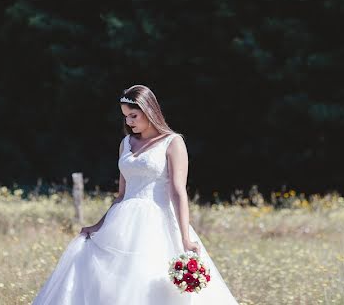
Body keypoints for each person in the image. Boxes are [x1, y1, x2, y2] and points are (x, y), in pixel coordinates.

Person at [31, 84, 239, 304]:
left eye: (133, 115)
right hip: (122, 222)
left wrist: (185, 238)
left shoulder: (173, 142)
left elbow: (178, 191)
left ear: (149, 110)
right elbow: (121, 194)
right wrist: (99, 225)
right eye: (125, 117)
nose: (129, 122)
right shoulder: (126, 144)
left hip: (158, 221)